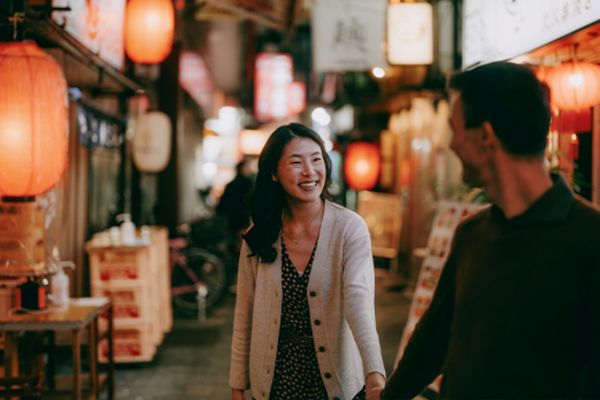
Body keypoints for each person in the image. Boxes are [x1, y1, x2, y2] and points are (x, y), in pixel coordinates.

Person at [382, 62, 600, 399]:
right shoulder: (473, 234)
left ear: (485, 136)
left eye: (454, 129)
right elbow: (432, 344)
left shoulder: (589, 239)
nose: (451, 144)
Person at [229, 123, 386, 400]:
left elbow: (358, 299)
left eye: (316, 159)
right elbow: (245, 314)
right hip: (276, 382)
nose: (310, 172)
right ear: (274, 173)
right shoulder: (260, 234)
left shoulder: (349, 228)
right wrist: (237, 386)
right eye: (296, 162)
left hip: (334, 384)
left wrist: (374, 370)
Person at [217, 158, 254, 235]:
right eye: (247, 167)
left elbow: (223, 203)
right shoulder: (248, 183)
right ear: (242, 168)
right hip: (243, 216)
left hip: (232, 217)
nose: (249, 170)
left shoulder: (230, 185)